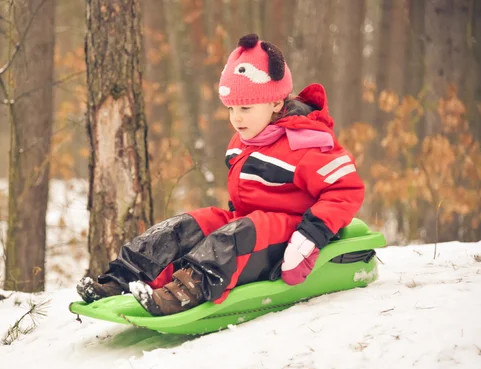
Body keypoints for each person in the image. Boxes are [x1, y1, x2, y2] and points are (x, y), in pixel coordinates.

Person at [76, 33, 364, 316]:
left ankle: (184, 292)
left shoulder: (308, 143)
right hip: (249, 225)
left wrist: (310, 236)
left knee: (233, 236)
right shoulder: (246, 137)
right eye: (231, 108)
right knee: (190, 224)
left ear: (276, 103)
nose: (236, 118)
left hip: (289, 235)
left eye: (245, 108)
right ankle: (122, 278)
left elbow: (346, 190)